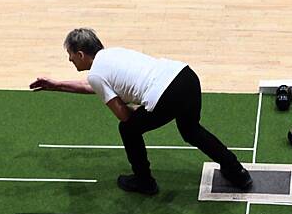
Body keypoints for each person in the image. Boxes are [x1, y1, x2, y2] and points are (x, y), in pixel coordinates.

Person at [29, 28, 253, 195]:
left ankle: (144, 181)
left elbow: (124, 115)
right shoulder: (113, 54)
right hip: (185, 76)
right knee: (191, 130)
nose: (69, 59)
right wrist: (57, 85)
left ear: (80, 54)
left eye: (70, 55)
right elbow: (96, 86)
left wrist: (138, 108)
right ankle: (237, 172)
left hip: (167, 93)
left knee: (128, 129)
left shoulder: (96, 74)